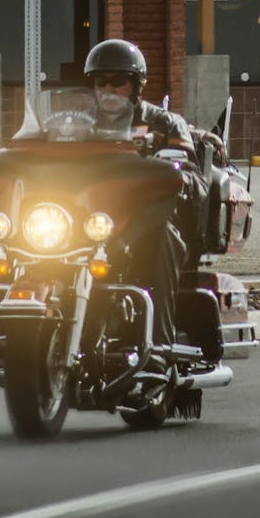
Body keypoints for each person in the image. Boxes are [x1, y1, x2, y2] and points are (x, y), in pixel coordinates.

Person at [81, 38, 207, 352]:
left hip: (148, 221)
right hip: (91, 220)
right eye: (101, 81)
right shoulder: (80, 126)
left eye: (118, 81)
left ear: (136, 85)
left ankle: (158, 350)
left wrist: (170, 171)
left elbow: (192, 177)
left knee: (163, 239)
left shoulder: (163, 123)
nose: (108, 89)